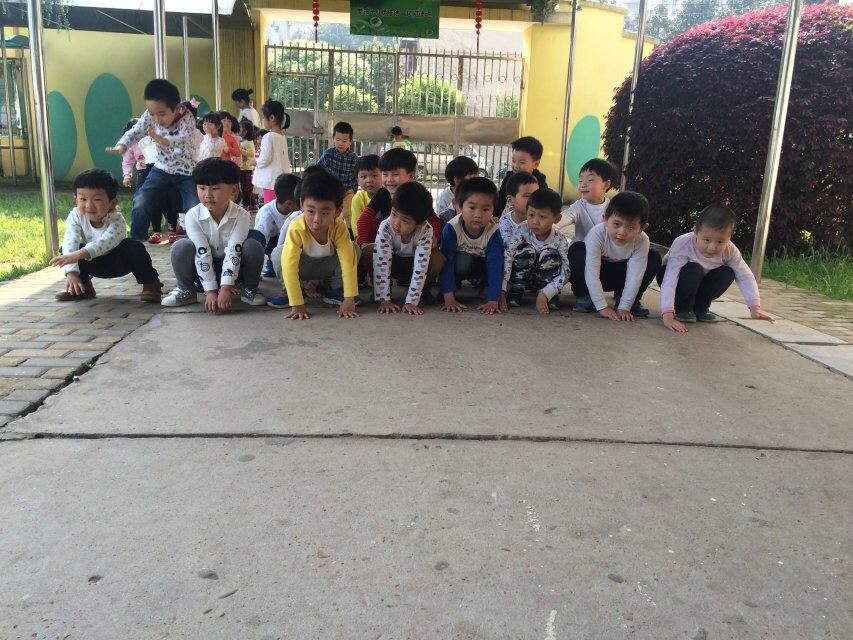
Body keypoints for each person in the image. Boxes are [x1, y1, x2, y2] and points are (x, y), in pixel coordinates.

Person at [161, 158, 266, 310]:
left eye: (215, 188)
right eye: (202, 188)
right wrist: (210, 291)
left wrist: (226, 288)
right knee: (180, 246)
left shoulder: (242, 215)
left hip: (235, 270)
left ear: (233, 190)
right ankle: (186, 290)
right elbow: (201, 252)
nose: (208, 194)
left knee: (253, 245)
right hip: (202, 268)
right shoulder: (192, 216)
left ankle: (249, 289)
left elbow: (234, 250)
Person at [106, 79, 199, 242]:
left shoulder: (187, 118)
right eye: (151, 113)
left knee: (193, 207)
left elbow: (184, 140)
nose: (156, 119)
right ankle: (136, 242)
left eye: (162, 114)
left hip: (187, 171)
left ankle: (196, 242)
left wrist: (165, 141)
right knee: (141, 201)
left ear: (176, 108)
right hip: (162, 168)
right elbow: (136, 131)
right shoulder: (150, 115)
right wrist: (122, 144)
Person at [49, 168, 161, 302]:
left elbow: (106, 242)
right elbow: (70, 240)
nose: (89, 205)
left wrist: (77, 255)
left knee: (134, 247)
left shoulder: (117, 220)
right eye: (83, 199)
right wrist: (71, 272)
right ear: (75, 200)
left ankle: (150, 283)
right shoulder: (75, 216)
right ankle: (81, 287)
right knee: (67, 249)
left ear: (112, 203)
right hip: (92, 263)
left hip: (118, 262)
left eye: (97, 199)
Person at [658, 204, 774, 332]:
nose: (712, 248)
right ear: (696, 231)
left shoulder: (730, 250)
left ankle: (701, 307)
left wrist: (754, 308)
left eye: (720, 242)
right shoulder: (683, 243)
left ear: (729, 238)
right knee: (694, 269)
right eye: (707, 240)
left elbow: (745, 275)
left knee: (727, 273)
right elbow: (670, 278)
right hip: (676, 279)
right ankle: (683, 308)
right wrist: (668, 315)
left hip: (700, 282)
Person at [277, 172, 360, 320]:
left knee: (353, 249)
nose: (316, 219)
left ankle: (337, 290)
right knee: (279, 254)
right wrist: (297, 304)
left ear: (338, 211)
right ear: (301, 205)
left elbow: (347, 261)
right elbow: (289, 265)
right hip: (303, 269)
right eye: (310, 211)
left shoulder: (339, 227)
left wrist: (349, 298)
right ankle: (292, 292)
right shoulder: (296, 227)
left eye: (325, 213)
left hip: (326, 268)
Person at [568, 191, 662, 320]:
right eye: (617, 224)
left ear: (642, 228)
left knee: (654, 257)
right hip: (597, 275)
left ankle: (629, 299)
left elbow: (635, 275)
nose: (622, 232)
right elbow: (591, 273)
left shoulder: (642, 240)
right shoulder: (597, 234)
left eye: (631, 227)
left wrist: (625, 306)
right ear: (605, 219)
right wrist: (602, 306)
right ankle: (584, 295)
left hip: (621, 277)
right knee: (577, 250)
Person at [365, 182, 445, 313]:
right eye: (394, 214)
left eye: (405, 221)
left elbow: (421, 267)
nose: (396, 223)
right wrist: (385, 300)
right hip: (393, 264)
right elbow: (382, 261)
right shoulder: (386, 226)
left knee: (437, 258)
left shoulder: (425, 230)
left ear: (419, 223)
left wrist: (411, 302)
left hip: (413, 265)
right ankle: (382, 292)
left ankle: (423, 292)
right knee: (369, 250)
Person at [439, 177, 504, 315]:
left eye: (485, 209)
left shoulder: (493, 231)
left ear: (494, 209)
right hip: (461, 266)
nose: (478, 215)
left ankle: (484, 286)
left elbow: (495, 265)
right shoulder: (452, 228)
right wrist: (449, 299)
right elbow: (446, 263)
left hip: (482, 267)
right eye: (472, 208)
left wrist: (493, 301)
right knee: (462, 260)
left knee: (500, 262)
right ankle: (451, 287)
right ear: (459, 206)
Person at [501, 188, 569, 314]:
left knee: (551, 255)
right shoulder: (522, 229)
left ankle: (549, 295)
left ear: (556, 218)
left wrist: (546, 292)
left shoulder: (559, 239)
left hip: (545, 284)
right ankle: (517, 289)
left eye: (542, 216)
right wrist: (502, 289)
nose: (535, 221)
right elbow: (508, 255)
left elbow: (566, 270)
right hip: (523, 279)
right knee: (525, 250)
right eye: (531, 215)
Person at [357, 148, 441, 247]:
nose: (389, 179)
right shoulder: (382, 194)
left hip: (412, 247)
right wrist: (364, 244)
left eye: (395, 174)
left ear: (410, 175)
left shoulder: (417, 195)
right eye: (385, 174)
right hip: (386, 246)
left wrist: (434, 237)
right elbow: (363, 220)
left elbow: (434, 221)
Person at [248, 172, 301, 277]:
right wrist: (255, 271)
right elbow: (260, 243)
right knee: (264, 242)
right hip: (270, 242)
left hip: (286, 238)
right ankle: (272, 262)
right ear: (289, 203)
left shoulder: (294, 210)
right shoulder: (267, 214)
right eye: (301, 201)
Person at [554, 158, 619, 242]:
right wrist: (547, 226)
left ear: (606, 184)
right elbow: (560, 220)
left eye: (590, 180)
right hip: (580, 247)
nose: (583, 185)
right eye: (580, 180)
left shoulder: (612, 209)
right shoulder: (578, 207)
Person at [317, 121, 359, 228]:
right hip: (331, 190)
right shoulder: (328, 154)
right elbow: (317, 169)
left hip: (347, 190)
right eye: (338, 140)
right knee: (332, 212)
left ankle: (350, 231)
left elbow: (357, 175)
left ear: (350, 142)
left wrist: (353, 189)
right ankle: (331, 229)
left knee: (348, 212)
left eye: (344, 141)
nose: (341, 143)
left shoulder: (353, 158)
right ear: (333, 139)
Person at [252, 99, 291, 206]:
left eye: (264, 117)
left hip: (271, 180)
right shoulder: (282, 137)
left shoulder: (268, 137)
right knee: (278, 207)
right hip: (281, 180)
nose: (263, 120)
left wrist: (255, 162)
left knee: (269, 207)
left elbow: (265, 158)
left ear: (271, 118)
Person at [496, 136, 548, 215]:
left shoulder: (539, 183)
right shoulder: (508, 178)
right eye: (513, 161)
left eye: (522, 162)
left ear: (536, 164)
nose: (516, 166)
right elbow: (500, 201)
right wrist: (497, 216)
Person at [498, 171, 539, 246]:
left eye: (536, 195)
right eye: (527, 196)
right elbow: (509, 246)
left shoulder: (540, 219)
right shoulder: (505, 222)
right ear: (510, 200)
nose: (534, 199)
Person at [436, 156, 479, 223]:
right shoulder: (444, 198)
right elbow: (442, 221)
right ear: (457, 181)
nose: (476, 182)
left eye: (477, 177)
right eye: (472, 179)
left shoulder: (477, 194)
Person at [350, 154, 380, 232]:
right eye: (363, 177)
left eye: (374, 175)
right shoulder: (358, 199)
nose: (369, 180)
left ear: (383, 175)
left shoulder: (390, 197)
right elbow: (356, 226)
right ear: (358, 180)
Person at [238, 120, 258, 211]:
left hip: (246, 169)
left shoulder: (249, 142)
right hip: (242, 168)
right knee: (246, 186)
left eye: (240, 128)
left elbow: (251, 153)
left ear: (245, 131)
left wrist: (240, 150)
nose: (238, 130)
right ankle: (252, 204)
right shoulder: (243, 141)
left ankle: (246, 204)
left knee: (246, 187)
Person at [120, 119, 145, 189]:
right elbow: (127, 162)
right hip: (143, 171)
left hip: (159, 169)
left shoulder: (153, 138)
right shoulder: (130, 144)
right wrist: (127, 177)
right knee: (141, 193)